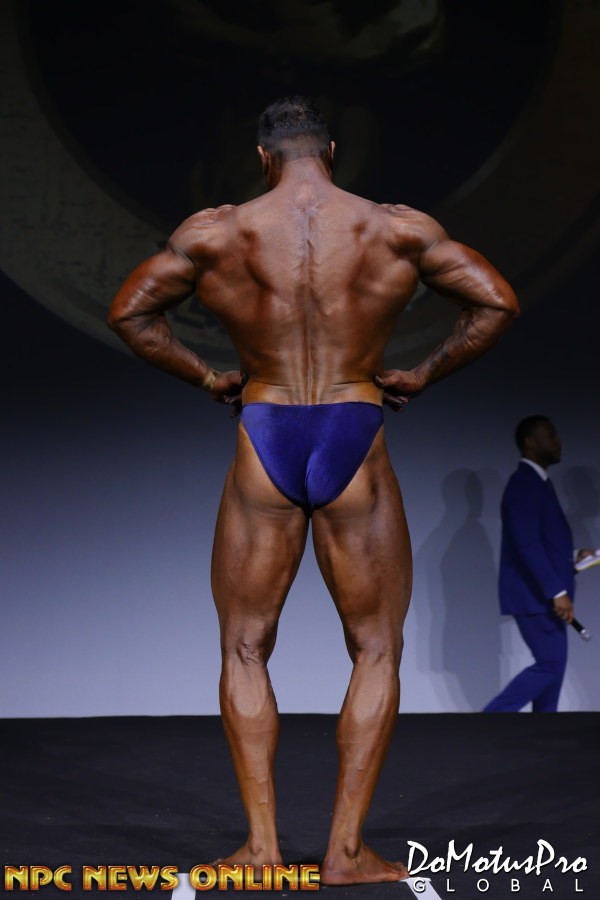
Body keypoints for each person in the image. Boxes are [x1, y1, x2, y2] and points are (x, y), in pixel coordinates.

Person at [107, 96, 519, 885]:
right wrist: (423, 373)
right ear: (331, 151)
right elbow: (496, 301)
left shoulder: (216, 232)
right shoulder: (394, 228)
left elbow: (130, 314)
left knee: (243, 646)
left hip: (263, 432)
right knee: (376, 647)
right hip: (353, 428)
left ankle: (261, 851)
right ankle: (346, 851)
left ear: (262, 158)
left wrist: (208, 377)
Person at [484, 416, 594, 713]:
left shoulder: (539, 483)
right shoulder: (524, 484)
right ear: (530, 442)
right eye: (550, 435)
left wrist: (573, 555)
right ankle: (488, 720)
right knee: (551, 665)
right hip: (535, 596)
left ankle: (544, 728)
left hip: (543, 596)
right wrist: (557, 591)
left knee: (553, 672)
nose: (558, 442)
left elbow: (541, 540)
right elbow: (527, 545)